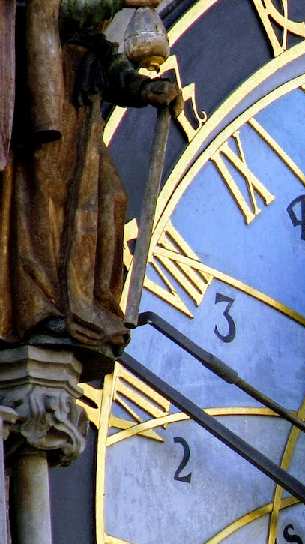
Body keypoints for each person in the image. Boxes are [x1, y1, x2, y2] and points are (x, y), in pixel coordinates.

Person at [0, 0, 176, 378]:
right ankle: (42, 311)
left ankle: (92, 304)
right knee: (43, 207)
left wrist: (145, 90)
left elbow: (101, 52)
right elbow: (61, 14)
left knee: (112, 199)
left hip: (79, 112)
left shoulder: (91, 41)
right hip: (44, 93)